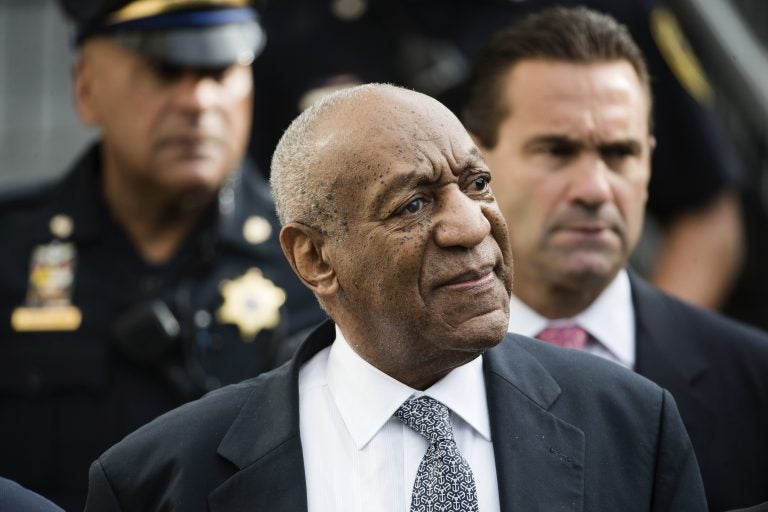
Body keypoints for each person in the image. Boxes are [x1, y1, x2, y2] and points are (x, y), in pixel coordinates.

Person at [84, 83, 706, 511]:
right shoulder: (159, 478)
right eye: (412, 204)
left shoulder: (632, 425)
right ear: (315, 258)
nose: (471, 225)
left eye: (478, 183)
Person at [0, 1, 325, 509]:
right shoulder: (10, 251)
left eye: (220, 72)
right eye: (165, 70)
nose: (199, 101)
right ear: (87, 89)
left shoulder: (314, 260)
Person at [248, 0, 746, 312]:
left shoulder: (608, 10)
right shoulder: (290, 26)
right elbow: (270, 232)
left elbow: (706, 216)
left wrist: (638, 369)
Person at [464, 7, 768, 511]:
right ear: (475, 164)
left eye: (620, 153)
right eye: (556, 151)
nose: (594, 188)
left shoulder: (755, 383)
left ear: (651, 160)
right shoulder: (401, 374)